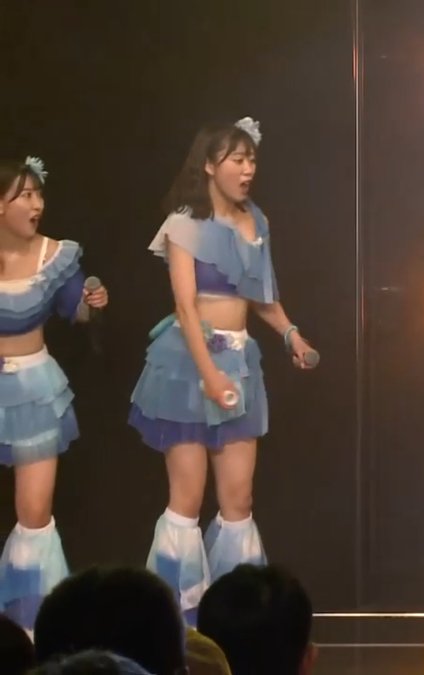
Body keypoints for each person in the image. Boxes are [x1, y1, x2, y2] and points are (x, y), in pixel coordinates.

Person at [129, 117, 316, 624]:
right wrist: (209, 373)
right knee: (187, 498)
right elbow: (186, 306)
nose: (247, 169)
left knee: (239, 498)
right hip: (188, 365)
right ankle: (175, 622)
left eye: (251, 159)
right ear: (210, 166)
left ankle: (240, 622)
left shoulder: (257, 220)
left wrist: (290, 334)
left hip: (240, 362)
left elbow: (262, 295)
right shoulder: (184, 223)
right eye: (237, 159)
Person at [0, 157, 108, 633]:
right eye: (25, 195)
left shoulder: (54, 254)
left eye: (38, 194)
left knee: (35, 512)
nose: (36, 204)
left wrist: (91, 303)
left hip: (34, 391)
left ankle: (32, 627)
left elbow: (75, 311)